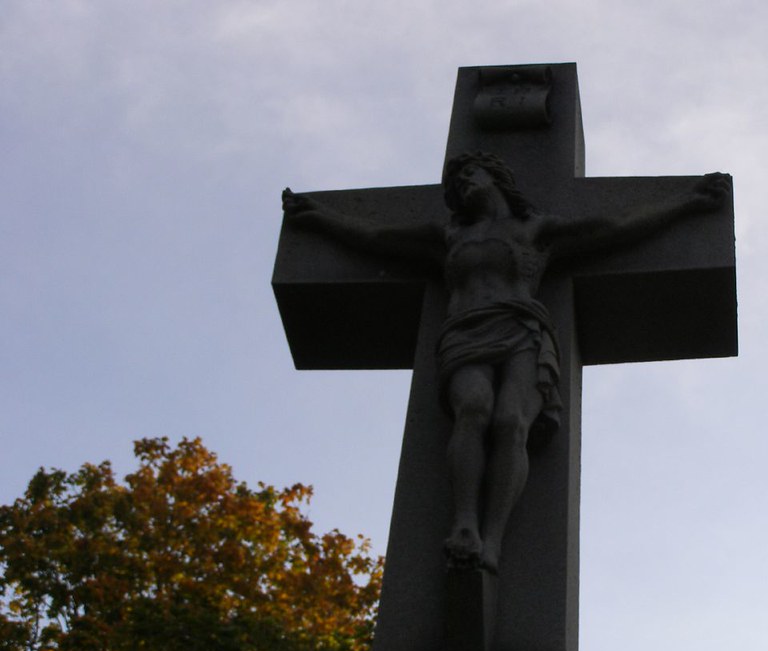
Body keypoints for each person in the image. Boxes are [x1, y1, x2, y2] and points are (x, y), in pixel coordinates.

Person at [282, 152, 729, 573]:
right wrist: (320, 218)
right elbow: (376, 239)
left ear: (497, 179)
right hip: (465, 333)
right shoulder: (447, 237)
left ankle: (491, 539)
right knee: (472, 407)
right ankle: (463, 523)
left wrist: (687, 203)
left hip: (521, 332)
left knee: (511, 421)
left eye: (469, 176)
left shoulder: (535, 231)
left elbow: (617, 227)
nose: (461, 186)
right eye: (456, 183)